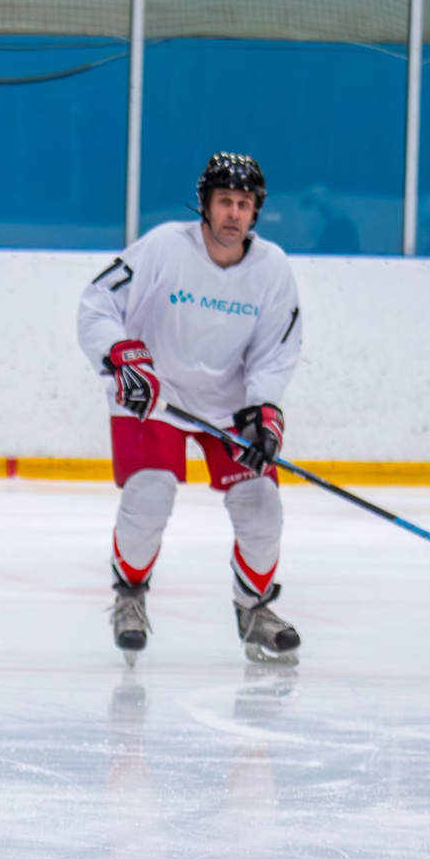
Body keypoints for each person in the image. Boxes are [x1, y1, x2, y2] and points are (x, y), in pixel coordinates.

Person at [74, 152, 307, 663]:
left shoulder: (272, 268)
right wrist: (122, 353)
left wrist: (263, 408)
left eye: (244, 204)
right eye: (224, 201)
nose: (233, 213)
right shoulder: (164, 247)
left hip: (226, 405)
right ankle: (130, 597)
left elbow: (276, 350)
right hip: (153, 397)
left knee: (262, 505)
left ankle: (255, 609)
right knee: (150, 493)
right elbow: (97, 303)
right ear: (204, 205)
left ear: (256, 212)